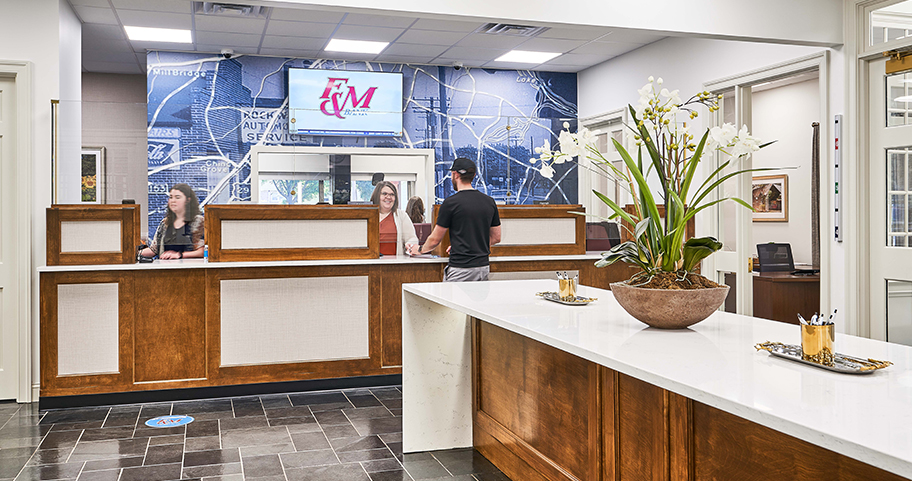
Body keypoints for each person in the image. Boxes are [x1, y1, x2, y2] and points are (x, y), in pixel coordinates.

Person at [408, 158, 501, 281]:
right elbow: (496, 237)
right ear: (473, 175)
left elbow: (435, 239)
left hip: (461, 269)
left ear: (455, 174)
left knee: (453, 300)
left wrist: (419, 249)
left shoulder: (451, 203)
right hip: (483, 267)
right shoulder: (489, 202)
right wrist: (467, 245)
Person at [140, 183, 204, 259]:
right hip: (165, 268)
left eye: (177, 197)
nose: (173, 201)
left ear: (188, 200)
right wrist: (135, 253)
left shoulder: (198, 221)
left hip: (190, 268)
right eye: (171, 197)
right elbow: (154, 250)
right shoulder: (165, 223)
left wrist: (179, 255)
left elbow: (203, 251)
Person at [370, 181, 419, 256]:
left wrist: (410, 245)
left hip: (394, 263)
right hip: (370, 263)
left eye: (392, 194)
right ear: (377, 195)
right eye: (384, 194)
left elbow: (412, 238)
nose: (388, 197)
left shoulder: (402, 216)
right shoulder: (368, 215)